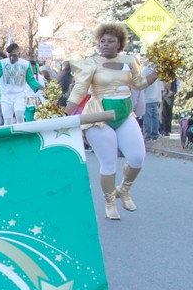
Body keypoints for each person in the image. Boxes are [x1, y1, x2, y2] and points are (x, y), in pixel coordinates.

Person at [66, 23, 155, 221]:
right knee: (108, 163)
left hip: (125, 115)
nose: (105, 45)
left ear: (119, 44)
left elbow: (139, 84)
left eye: (110, 41)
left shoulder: (130, 60)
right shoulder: (90, 63)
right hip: (98, 117)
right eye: (102, 41)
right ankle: (110, 202)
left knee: (137, 158)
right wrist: (65, 114)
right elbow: (79, 90)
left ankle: (123, 189)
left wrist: (159, 72)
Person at [0, 43, 37, 125]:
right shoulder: (2, 63)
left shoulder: (25, 64)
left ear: (19, 54)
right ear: (8, 55)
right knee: (7, 119)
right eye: (11, 55)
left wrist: (42, 88)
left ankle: (22, 133)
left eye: (15, 55)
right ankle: (8, 136)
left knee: (19, 114)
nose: (12, 58)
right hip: (5, 95)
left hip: (19, 94)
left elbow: (30, 79)